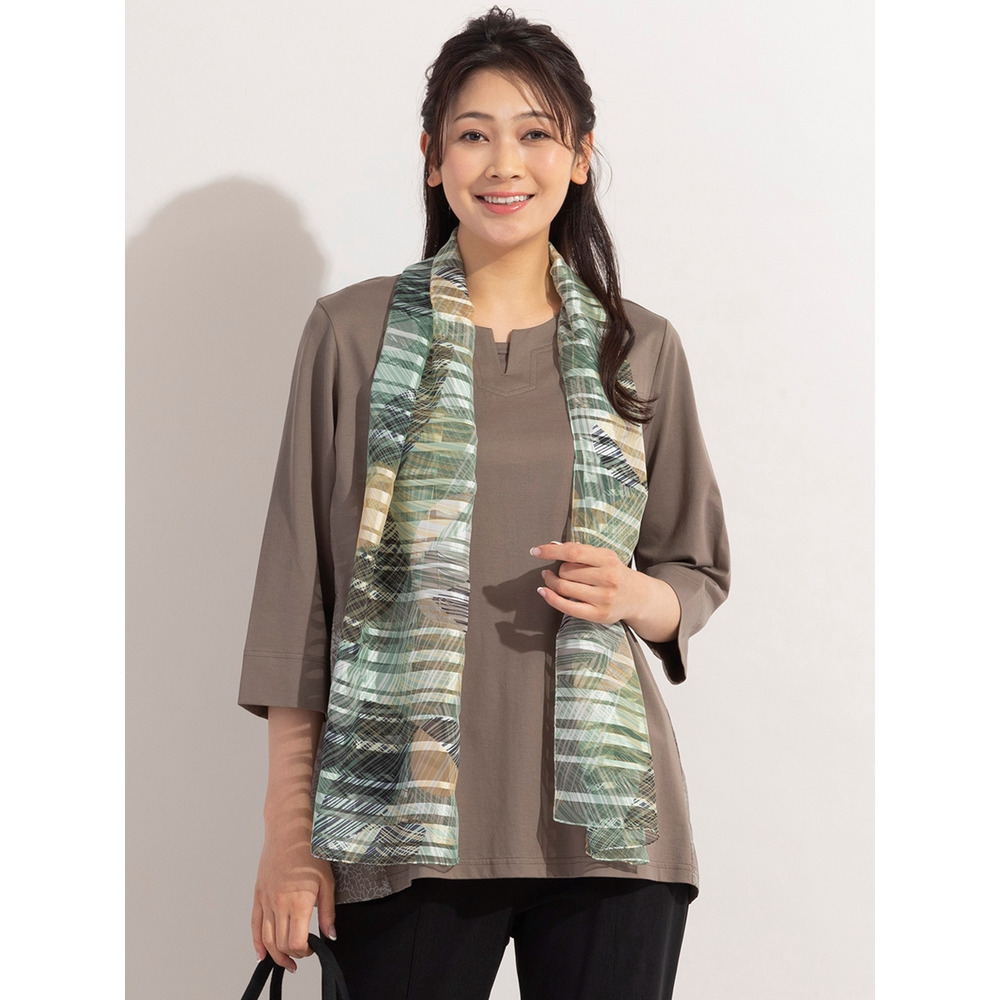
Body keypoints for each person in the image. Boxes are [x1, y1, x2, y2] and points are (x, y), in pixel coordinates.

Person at [239, 7, 730, 999]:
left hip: (610, 838)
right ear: (433, 158)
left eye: (535, 132)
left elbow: (695, 566)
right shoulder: (351, 335)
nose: (505, 162)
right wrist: (290, 840)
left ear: (579, 156)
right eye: (473, 133)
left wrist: (636, 596)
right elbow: (299, 598)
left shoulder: (639, 347)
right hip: (400, 830)